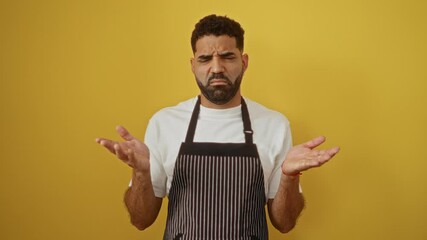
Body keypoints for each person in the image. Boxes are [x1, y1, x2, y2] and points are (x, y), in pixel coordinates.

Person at [96, 14, 340, 240]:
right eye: (205, 59)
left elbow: (284, 224)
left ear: (244, 62)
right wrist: (140, 173)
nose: (216, 68)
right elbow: (141, 220)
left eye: (227, 56)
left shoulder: (274, 125)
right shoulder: (164, 123)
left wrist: (289, 176)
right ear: (193, 65)